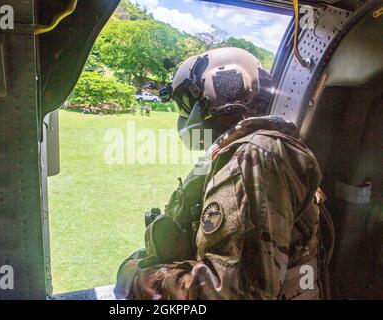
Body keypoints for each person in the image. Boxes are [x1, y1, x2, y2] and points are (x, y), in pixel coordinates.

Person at [114, 47, 325, 300]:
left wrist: (142, 279)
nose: (184, 114)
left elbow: (235, 292)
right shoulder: (258, 149)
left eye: (184, 103)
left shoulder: (252, 155)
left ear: (216, 91)